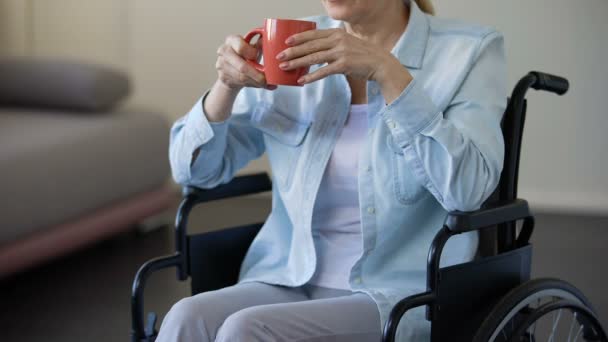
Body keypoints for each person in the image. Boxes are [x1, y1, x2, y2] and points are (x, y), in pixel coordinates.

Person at [158, 0, 506, 340]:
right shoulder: (293, 45)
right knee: (186, 318)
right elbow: (194, 171)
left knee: (245, 330)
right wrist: (225, 86)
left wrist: (388, 72)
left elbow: (469, 190)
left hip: (401, 292)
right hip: (288, 275)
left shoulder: (469, 51)